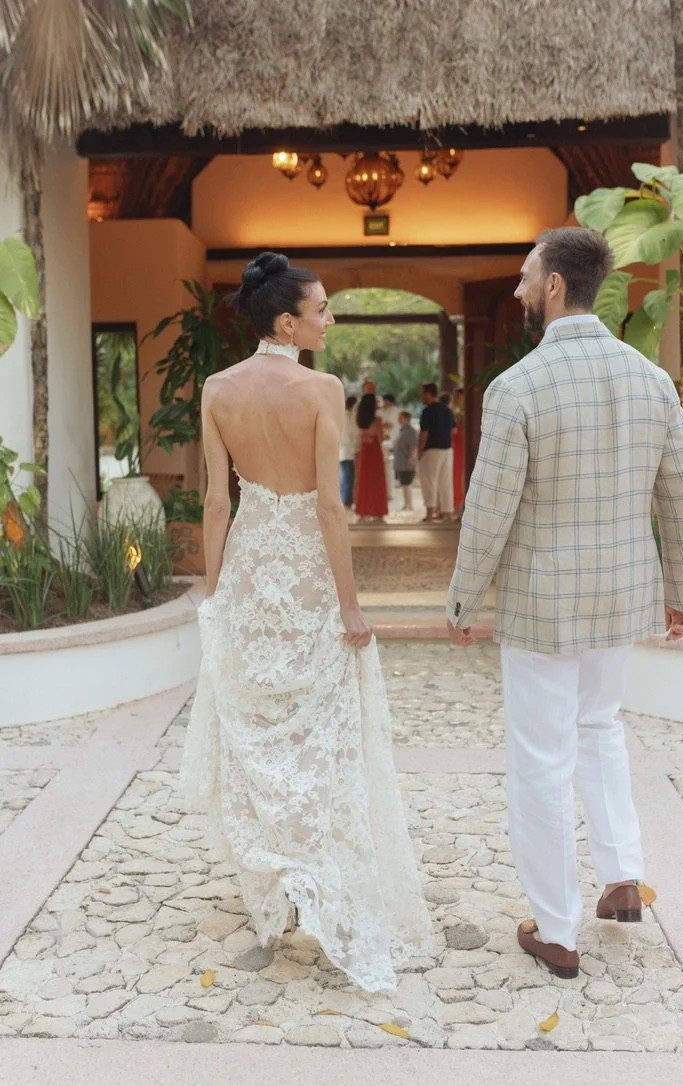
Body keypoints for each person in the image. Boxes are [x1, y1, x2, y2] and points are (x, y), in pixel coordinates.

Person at [446, 227, 683, 980]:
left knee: (539, 756)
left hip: (542, 600)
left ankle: (556, 926)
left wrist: (463, 597)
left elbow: (490, 507)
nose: (520, 287)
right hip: (622, 592)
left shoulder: (518, 387)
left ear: (555, 284)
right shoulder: (648, 379)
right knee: (599, 726)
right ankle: (621, 876)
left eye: (527, 276)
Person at [178, 251, 430, 992]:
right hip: (310, 577)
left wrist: (217, 596)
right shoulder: (319, 388)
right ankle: (312, 873)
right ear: (287, 321)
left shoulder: (217, 388)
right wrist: (351, 604)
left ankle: (278, 888)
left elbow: (216, 504)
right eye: (321, 309)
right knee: (319, 734)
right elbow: (329, 506)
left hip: (252, 569)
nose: (329, 318)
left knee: (257, 730)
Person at [418, 382, 456, 522]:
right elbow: (453, 429)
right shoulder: (447, 410)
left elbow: (424, 433)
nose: (420, 396)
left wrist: (420, 451)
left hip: (431, 449)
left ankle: (430, 513)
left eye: (422, 393)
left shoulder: (427, 411)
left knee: (429, 481)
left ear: (428, 394)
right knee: (446, 482)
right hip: (447, 449)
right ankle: (448, 512)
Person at [355, 392, 388, 522]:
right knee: (377, 481)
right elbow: (381, 438)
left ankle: (362, 512)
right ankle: (378, 512)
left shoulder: (360, 421)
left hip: (365, 450)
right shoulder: (377, 421)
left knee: (364, 480)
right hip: (375, 451)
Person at [393, 410, 417, 511]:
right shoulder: (402, 431)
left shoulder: (411, 431)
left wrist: (411, 457)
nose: (399, 420)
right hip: (401, 462)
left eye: (401, 417)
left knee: (407, 484)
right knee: (404, 484)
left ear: (406, 419)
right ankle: (406, 504)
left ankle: (409, 504)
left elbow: (413, 446)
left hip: (406, 462)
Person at [339, 394, 359, 508]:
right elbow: (347, 436)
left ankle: (347, 499)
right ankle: (347, 500)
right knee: (348, 477)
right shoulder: (347, 417)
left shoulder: (344, 416)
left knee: (346, 477)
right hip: (348, 451)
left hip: (344, 451)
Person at [379, 392, 400, 500]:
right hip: (385, 441)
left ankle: (389, 493)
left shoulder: (395, 412)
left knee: (389, 468)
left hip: (390, 441)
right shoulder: (384, 411)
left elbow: (389, 425)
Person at [451, 386, 465, 513]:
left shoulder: (463, 413)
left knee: (459, 476)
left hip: (461, 444)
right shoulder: (455, 412)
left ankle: (460, 507)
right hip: (456, 445)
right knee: (455, 477)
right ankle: (457, 507)